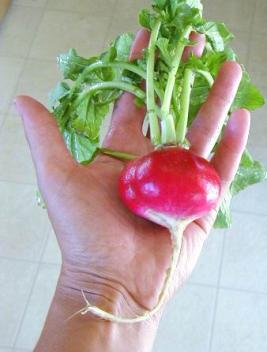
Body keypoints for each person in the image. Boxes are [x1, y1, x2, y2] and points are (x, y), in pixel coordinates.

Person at [15, 47, 249, 351]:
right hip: (160, 176)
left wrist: (102, 289)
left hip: (158, 175)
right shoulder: (139, 177)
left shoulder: (138, 179)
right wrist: (104, 287)